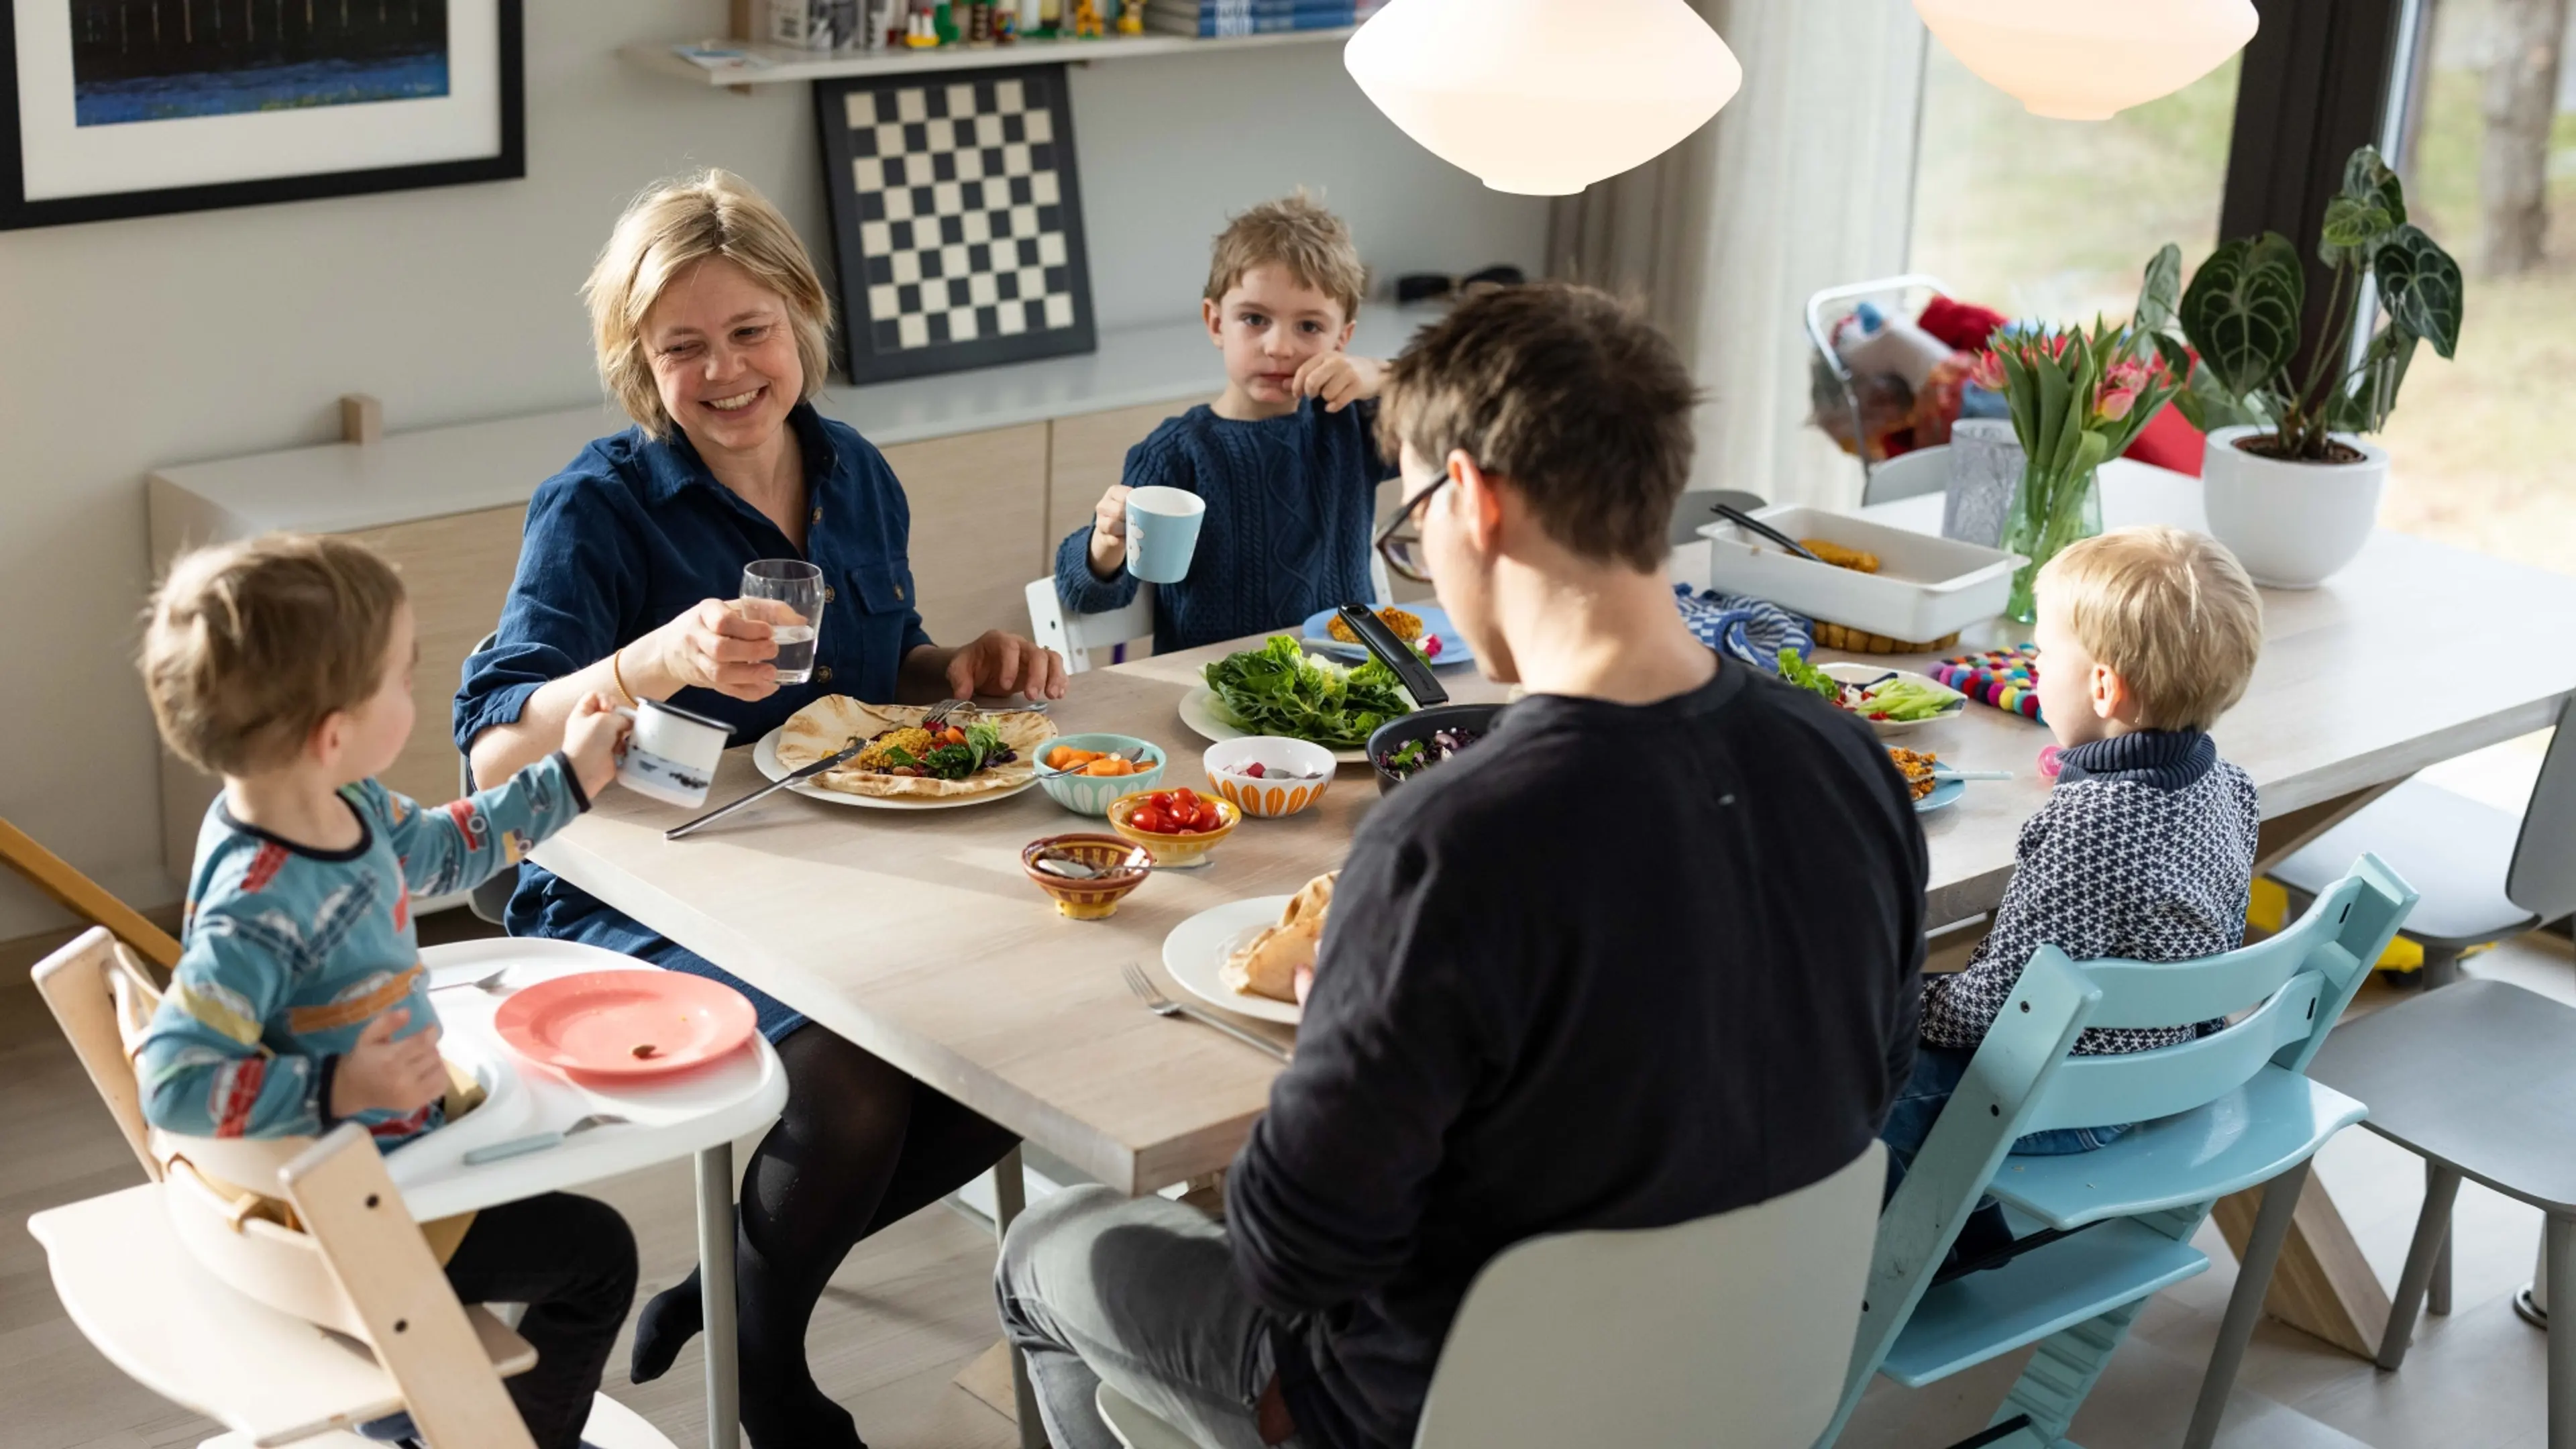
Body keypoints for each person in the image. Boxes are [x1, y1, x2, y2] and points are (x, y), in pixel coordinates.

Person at [996, 284, 1927, 1449]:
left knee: (1046, 1246)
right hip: (1747, 1387)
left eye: (1417, 510)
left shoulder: (1449, 844)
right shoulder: (1850, 762)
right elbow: (1874, 1084)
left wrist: (1339, 1003)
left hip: (1455, 1411)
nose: (1419, 543)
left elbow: (1296, 1256)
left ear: (1474, 501)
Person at [455, 169, 1062, 1449]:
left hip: (821, 865)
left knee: (1014, 1055)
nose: (726, 373)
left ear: (802, 321)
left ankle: (724, 1288)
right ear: (638, 362)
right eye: (683, 348)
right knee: (847, 1086)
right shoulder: (601, 502)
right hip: (630, 875)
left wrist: (954, 672)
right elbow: (494, 752)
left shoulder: (856, 474)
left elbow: (873, 672)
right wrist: (651, 659)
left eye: (751, 332)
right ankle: (766, 1372)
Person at [134, 534, 637, 1449]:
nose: (417, 691)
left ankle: (413, 1420)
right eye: (401, 681)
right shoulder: (257, 909)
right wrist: (340, 1088)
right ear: (334, 733)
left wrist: (569, 776)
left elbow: (450, 848)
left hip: (401, 1154)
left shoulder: (342, 805)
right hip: (366, 1207)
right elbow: (170, 1080)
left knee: (540, 1142)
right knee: (600, 1256)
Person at [1882, 526, 2265, 1173]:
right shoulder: (2231, 788)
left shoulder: (2089, 826)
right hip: (2167, 1072)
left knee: (1839, 1079)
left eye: (2043, 654)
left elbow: (1995, 1014)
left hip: (2063, 1099)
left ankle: (1915, 1253)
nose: (2033, 666)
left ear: (2103, 689)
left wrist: (1892, 1003)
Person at [1053, 195, 1394, 654]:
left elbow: (1483, 419)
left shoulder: (1355, 426)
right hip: (1217, 700)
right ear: (1216, 323)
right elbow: (1088, 596)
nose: (1278, 347)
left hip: (1351, 693)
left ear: (1343, 338)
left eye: (1309, 326)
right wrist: (1104, 544)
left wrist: (1385, 374)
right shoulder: (1176, 451)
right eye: (1255, 319)